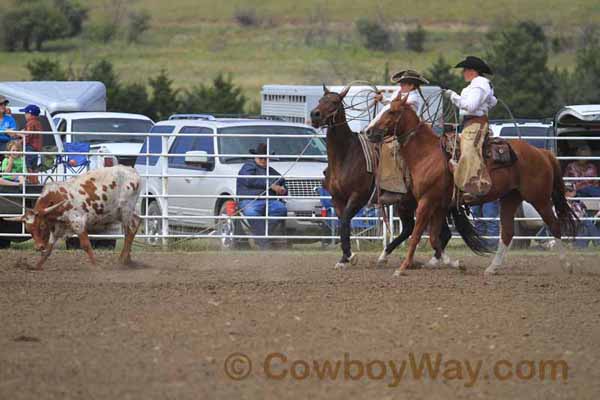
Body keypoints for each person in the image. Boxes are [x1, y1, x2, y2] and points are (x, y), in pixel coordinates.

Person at [371, 70, 429, 204]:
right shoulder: (399, 94)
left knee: (390, 148)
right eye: (401, 83)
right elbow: (391, 106)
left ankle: (394, 187)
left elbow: (395, 108)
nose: (401, 85)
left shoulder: (413, 98)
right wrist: (383, 100)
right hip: (399, 131)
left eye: (404, 83)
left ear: (412, 86)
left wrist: (385, 101)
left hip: (409, 134)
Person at [443, 56, 497, 198]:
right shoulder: (479, 85)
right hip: (470, 123)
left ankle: (472, 183)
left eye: (465, 70)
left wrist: (453, 96)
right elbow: (493, 102)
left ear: (473, 71)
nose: (463, 73)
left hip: (475, 123)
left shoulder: (479, 84)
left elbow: (471, 106)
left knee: (469, 149)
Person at [236, 143, 288, 249]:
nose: (264, 161)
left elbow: (281, 180)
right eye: (261, 158)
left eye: (266, 158)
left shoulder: (270, 170)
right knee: (251, 212)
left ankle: (261, 237)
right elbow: (249, 180)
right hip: (250, 200)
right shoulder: (248, 167)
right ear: (255, 157)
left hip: (267, 200)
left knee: (281, 209)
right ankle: (264, 241)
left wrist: (282, 189)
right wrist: (271, 185)